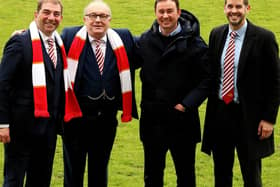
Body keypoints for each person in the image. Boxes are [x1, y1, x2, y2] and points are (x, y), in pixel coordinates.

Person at [0, 0, 81, 186]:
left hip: (48, 130)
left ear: (61, 18)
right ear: (36, 15)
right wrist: (2, 123)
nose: (51, 18)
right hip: (20, 129)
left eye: (56, 14)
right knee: (14, 180)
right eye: (46, 12)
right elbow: (2, 84)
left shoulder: (59, 45)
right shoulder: (20, 43)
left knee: (41, 180)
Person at [201, 0, 280, 186]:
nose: (233, 11)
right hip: (220, 114)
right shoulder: (216, 34)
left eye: (238, 7)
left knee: (251, 176)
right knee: (221, 174)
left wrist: (269, 119)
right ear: (224, 8)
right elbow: (212, 73)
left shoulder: (264, 38)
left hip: (249, 117)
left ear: (247, 8)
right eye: (230, 7)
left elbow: (275, 82)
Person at [60, 1, 138, 186]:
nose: (97, 20)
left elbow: (151, 42)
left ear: (109, 19)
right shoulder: (70, 36)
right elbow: (47, 46)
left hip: (106, 121)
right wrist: (23, 36)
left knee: (99, 171)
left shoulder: (123, 38)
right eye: (93, 16)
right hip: (75, 121)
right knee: (73, 173)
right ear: (84, 19)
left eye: (103, 16)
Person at [135, 0, 209, 186]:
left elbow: (208, 79)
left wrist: (186, 104)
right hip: (152, 121)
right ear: (155, 12)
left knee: (185, 176)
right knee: (152, 176)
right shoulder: (145, 41)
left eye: (169, 11)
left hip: (182, 121)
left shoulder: (196, 44)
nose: (165, 16)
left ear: (179, 12)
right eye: (161, 11)